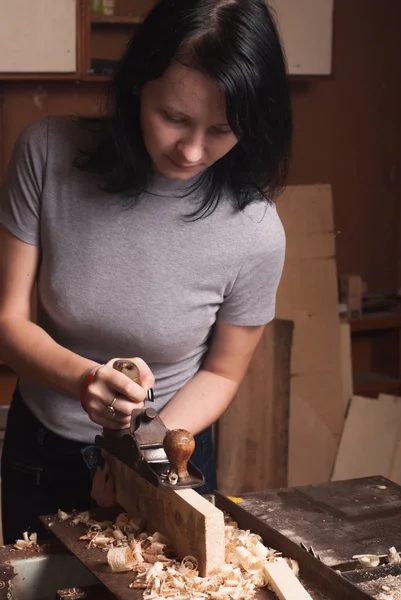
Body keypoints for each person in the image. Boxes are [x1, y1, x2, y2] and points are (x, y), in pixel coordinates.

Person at [0, 0, 292, 544]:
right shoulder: (47, 152)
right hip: (43, 448)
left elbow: (223, 372)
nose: (192, 150)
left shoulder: (256, 228)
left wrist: (139, 453)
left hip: (172, 452)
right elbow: (7, 322)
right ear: (138, 84)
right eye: (174, 118)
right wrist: (84, 379)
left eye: (224, 129)